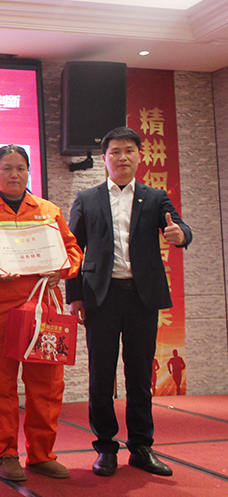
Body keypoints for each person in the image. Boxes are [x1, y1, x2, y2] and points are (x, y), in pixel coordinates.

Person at [67, 126, 192, 478]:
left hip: (142, 297)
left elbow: (181, 227)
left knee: (139, 375)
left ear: (140, 155)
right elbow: (73, 250)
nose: (122, 157)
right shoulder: (87, 198)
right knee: (101, 375)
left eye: (129, 151)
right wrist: (75, 297)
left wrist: (180, 234)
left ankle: (141, 447)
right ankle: (105, 447)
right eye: (115, 152)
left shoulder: (154, 198)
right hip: (100, 297)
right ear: (104, 158)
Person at [0, 145, 83, 482]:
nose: (14, 174)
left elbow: (73, 251)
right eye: (7, 168)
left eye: (20, 168)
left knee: (47, 386)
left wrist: (62, 269)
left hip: (43, 310)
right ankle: (5, 455)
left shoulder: (48, 210)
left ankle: (41, 455)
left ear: (29, 172)